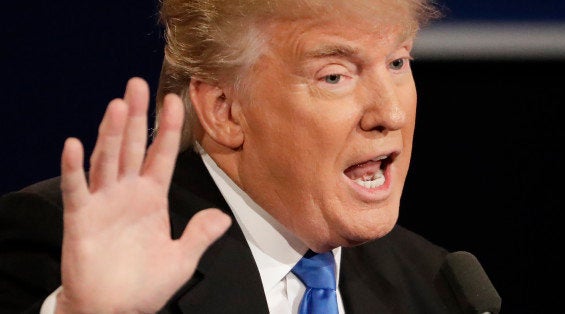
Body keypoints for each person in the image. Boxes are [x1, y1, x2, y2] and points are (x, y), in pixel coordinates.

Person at [0, 0, 450, 313]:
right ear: (224, 110)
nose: (389, 113)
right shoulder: (69, 250)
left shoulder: (434, 284)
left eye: (396, 63)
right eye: (334, 76)